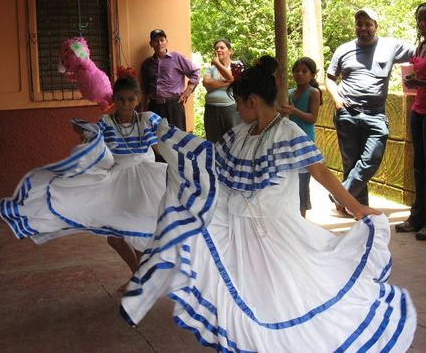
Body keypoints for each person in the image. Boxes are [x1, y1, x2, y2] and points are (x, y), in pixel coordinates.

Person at [120, 56, 416, 351]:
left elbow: (320, 170)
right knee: (248, 298)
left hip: (276, 235)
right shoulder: (240, 133)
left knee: (288, 298)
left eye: (238, 102)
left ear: (253, 101)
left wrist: (355, 207)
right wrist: (165, 133)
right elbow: (207, 156)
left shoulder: (288, 133)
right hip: (239, 232)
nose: (236, 108)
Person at [0, 67, 167, 289]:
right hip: (115, 181)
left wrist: (181, 164)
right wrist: (86, 136)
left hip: (143, 181)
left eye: (130, 99)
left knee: (137, 231)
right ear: (113, 99)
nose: (125, 104)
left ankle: (141, 279)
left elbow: (166, 142)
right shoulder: (105, 123)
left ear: (138, 100)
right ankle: (137, 275)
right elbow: (96, 148)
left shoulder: (147, 120)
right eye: (120, 99)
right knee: (115, 237)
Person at [326, 8, 415, 213]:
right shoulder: (343, 49)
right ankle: (358, 207)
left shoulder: (391, 46)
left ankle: (340, 195)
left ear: (376, 26)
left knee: (370, 161)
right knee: (351, 163)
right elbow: (330, 78)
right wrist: (336, 99)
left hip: (375, 114)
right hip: (347, 111)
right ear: (355, 27)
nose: (363, 28)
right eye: (360, 24)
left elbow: (419, 53)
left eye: (368, 24)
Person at [396, 2, 426, 241]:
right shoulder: (421, 46)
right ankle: (417, 216)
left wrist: (421, 84)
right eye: (419, 19)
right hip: (418, 109)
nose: (422, 24)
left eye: (425, 19)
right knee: (419, 166)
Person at [279, 57, 322, 217]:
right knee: (290, 180)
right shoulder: (289, 93)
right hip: (289, 140)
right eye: (297, 71)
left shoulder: (314, 92)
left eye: (304, 71)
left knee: (303, 181)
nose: (300, 74)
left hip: (305, 141)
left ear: (312, 75)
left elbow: (312, 118)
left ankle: (302, 217)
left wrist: (294, 111)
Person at [141, 29, 200, 131]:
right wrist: (143, 108)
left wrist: (188, 90)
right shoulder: (147, 64)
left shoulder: (177, 58)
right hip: (154, 107)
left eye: (162, 40)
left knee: (177, 139)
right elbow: (145, 89)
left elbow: (195, 72)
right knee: (156, 139)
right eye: (156, 41)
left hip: (174, 105)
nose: (159, 43)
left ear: (166, 42)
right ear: (151, 44)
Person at [202, 38, 241, 142]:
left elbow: (231, 77)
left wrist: (217, 64)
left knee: (232, 140)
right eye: (216, 48)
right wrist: (227, 82)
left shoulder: (237, 65)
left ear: (230, 51)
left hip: (230, 109)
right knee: (213, 141)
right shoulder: (211, 68)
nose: (218, 50)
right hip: (211, 109)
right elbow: (206, 82)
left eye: (222, 47)